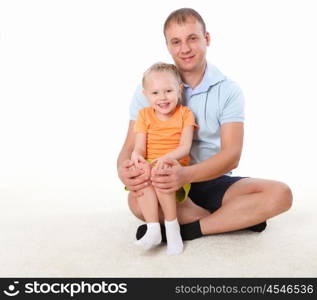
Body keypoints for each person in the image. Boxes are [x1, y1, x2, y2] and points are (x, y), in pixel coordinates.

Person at [117, 8, 292, 243]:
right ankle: (234, 219)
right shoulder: (150, 90)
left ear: (206, 39)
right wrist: (123, 171)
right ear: (168, 46)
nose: (185, 48)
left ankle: (190, 229)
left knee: (280, 194)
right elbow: (129, 146)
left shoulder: (228, 90)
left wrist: (185, 175)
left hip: (213, 179)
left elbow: (232, 155)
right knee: (135, 202)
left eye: (192, 38)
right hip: (163, 179)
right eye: (176, 42)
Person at [131, 62, 197, 254]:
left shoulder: (185, 114)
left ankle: (172, 227)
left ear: (179, 90)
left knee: (161, 172)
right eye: (155, 93)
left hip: (174, 165)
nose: (162, 98)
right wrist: (137, 156)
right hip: (150, 164)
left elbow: (185, 148)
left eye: (168, 91)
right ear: (145, 95)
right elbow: (139, 147)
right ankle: (153, 229)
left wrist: (165, 159)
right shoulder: (143, 115)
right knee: (141, 173)